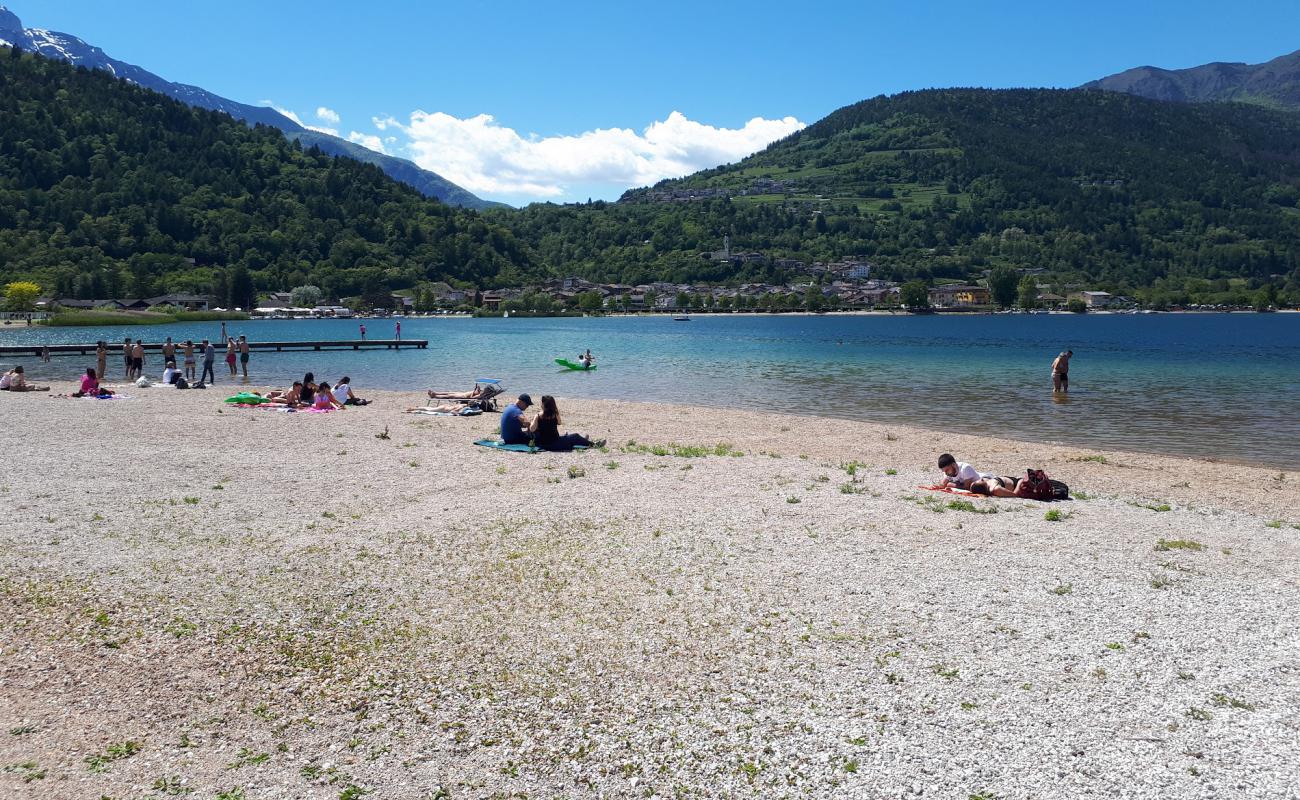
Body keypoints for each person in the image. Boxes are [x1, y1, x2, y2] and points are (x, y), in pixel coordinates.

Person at [529, 395, 603, 451]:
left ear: (543, 404)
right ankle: (594, 445)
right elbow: (559, 422)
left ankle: (584, 440)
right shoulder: (555, 414)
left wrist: (534, 420)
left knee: (570, 437)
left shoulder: (538, 416)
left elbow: (532, 429)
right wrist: (555, 410)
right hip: (555, 443)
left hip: (544, 444)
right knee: (575, 436)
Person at [937, 453, 1024, 498]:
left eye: (947, 470)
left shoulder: (965, 468)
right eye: (944, 471)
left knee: (997, 488)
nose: (946, 473)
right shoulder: (949, 471)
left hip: (985, 480)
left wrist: (950, 484)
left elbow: (967, 487)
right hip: (978, 485)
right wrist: (941, 485)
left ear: (953, 465)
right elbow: (942, 484)